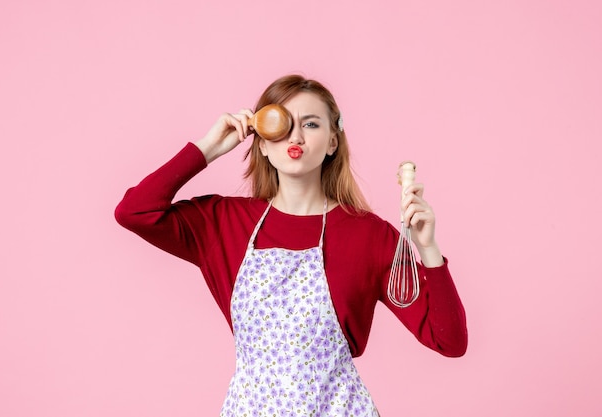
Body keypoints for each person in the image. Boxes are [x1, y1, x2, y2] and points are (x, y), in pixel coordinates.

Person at [115, 74, 467, 416]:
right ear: (262, 142)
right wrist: (207, 148)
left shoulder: (370, 235)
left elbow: (449, 341)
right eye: (281, 124)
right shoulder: (224, 224)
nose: (296, 136)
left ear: (333, 141)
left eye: (312, 124)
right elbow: (134, 212)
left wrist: (428, 249)